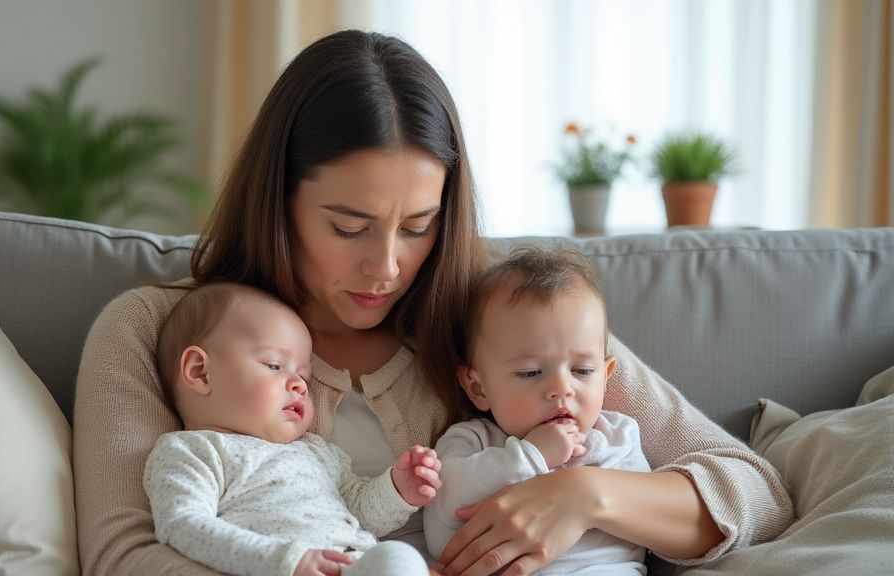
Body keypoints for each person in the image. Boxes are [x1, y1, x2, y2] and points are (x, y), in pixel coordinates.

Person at [73, 29, 794, 576]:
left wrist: (586, 498)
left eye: (418, 227)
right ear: (278, 198)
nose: (387, 266)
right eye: (347, 226)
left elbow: (751, 487)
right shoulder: (153, 328)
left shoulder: (499, 314)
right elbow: (128, 555)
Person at [144, 282, 438, 576]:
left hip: (354, 565)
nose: (299, 385)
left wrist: (397, 489)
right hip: (278, 567)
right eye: (274, 365)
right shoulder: (194, 451)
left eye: (304, 377)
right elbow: (182, 524)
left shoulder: (317, 450)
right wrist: (285, 561)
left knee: (399, 557)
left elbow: (361, 512)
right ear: (200, 372)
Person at [424, 244, 652, 575]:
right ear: (478, 387)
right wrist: (531, 456)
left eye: (582, 371)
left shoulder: (616, 437)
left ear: (606, 375)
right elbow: (442, 515)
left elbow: (647, 518)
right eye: (531, 372)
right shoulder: (472, 442)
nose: (562, 388)